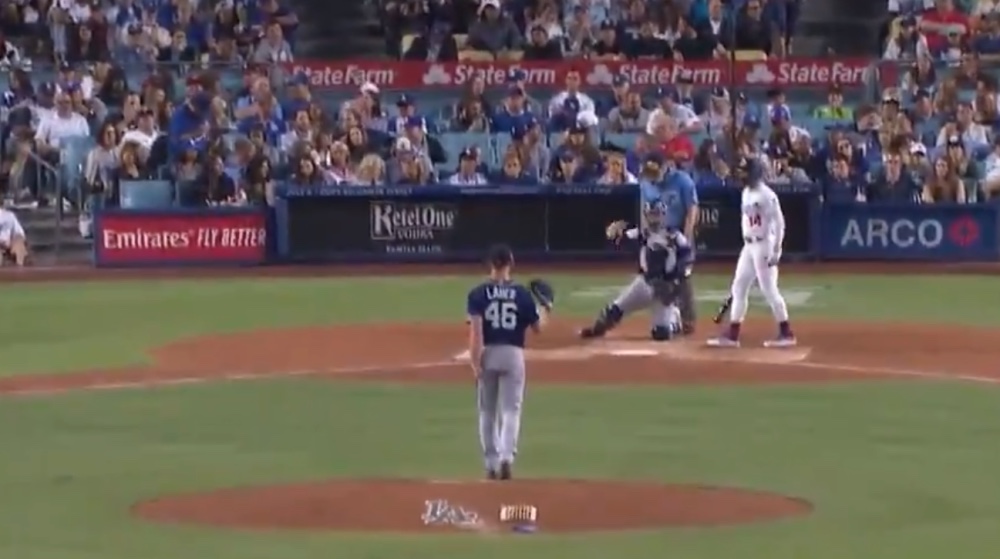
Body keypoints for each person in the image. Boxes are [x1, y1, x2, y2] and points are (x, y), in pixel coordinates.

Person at [465, 244, 551, 480]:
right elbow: (538, 328)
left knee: (487, 412)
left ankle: (491, 464)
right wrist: (547, 308)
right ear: (510, 263)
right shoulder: (521, 294)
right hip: (513, 353)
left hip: (488, 352)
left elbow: (476, 333)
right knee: (511, 410)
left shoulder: (477, 294)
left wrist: (475, 363)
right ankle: (506, 457)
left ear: (490, 264)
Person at [707, 157, 795, 348]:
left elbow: (780, 223)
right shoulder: (746, 192)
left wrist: (776, 249)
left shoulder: (767, 195)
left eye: (745, 172)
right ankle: (733, 334)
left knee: (769, 289)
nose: (741, 175)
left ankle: (786, 332)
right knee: (738, 287)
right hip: (749, 246)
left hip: (764, 245)